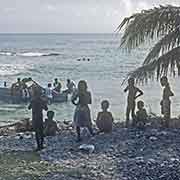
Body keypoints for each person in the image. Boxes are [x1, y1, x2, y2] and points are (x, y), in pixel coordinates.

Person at [28, 86, 48, 151]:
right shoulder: (42, 100)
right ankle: (41, 145)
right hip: (40, 117)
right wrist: (45, 102)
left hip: (34, 117)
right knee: (41, 131)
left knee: (36, 132)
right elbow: (46, 109)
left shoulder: (33, 100)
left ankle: (38, 145)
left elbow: (29, 108)